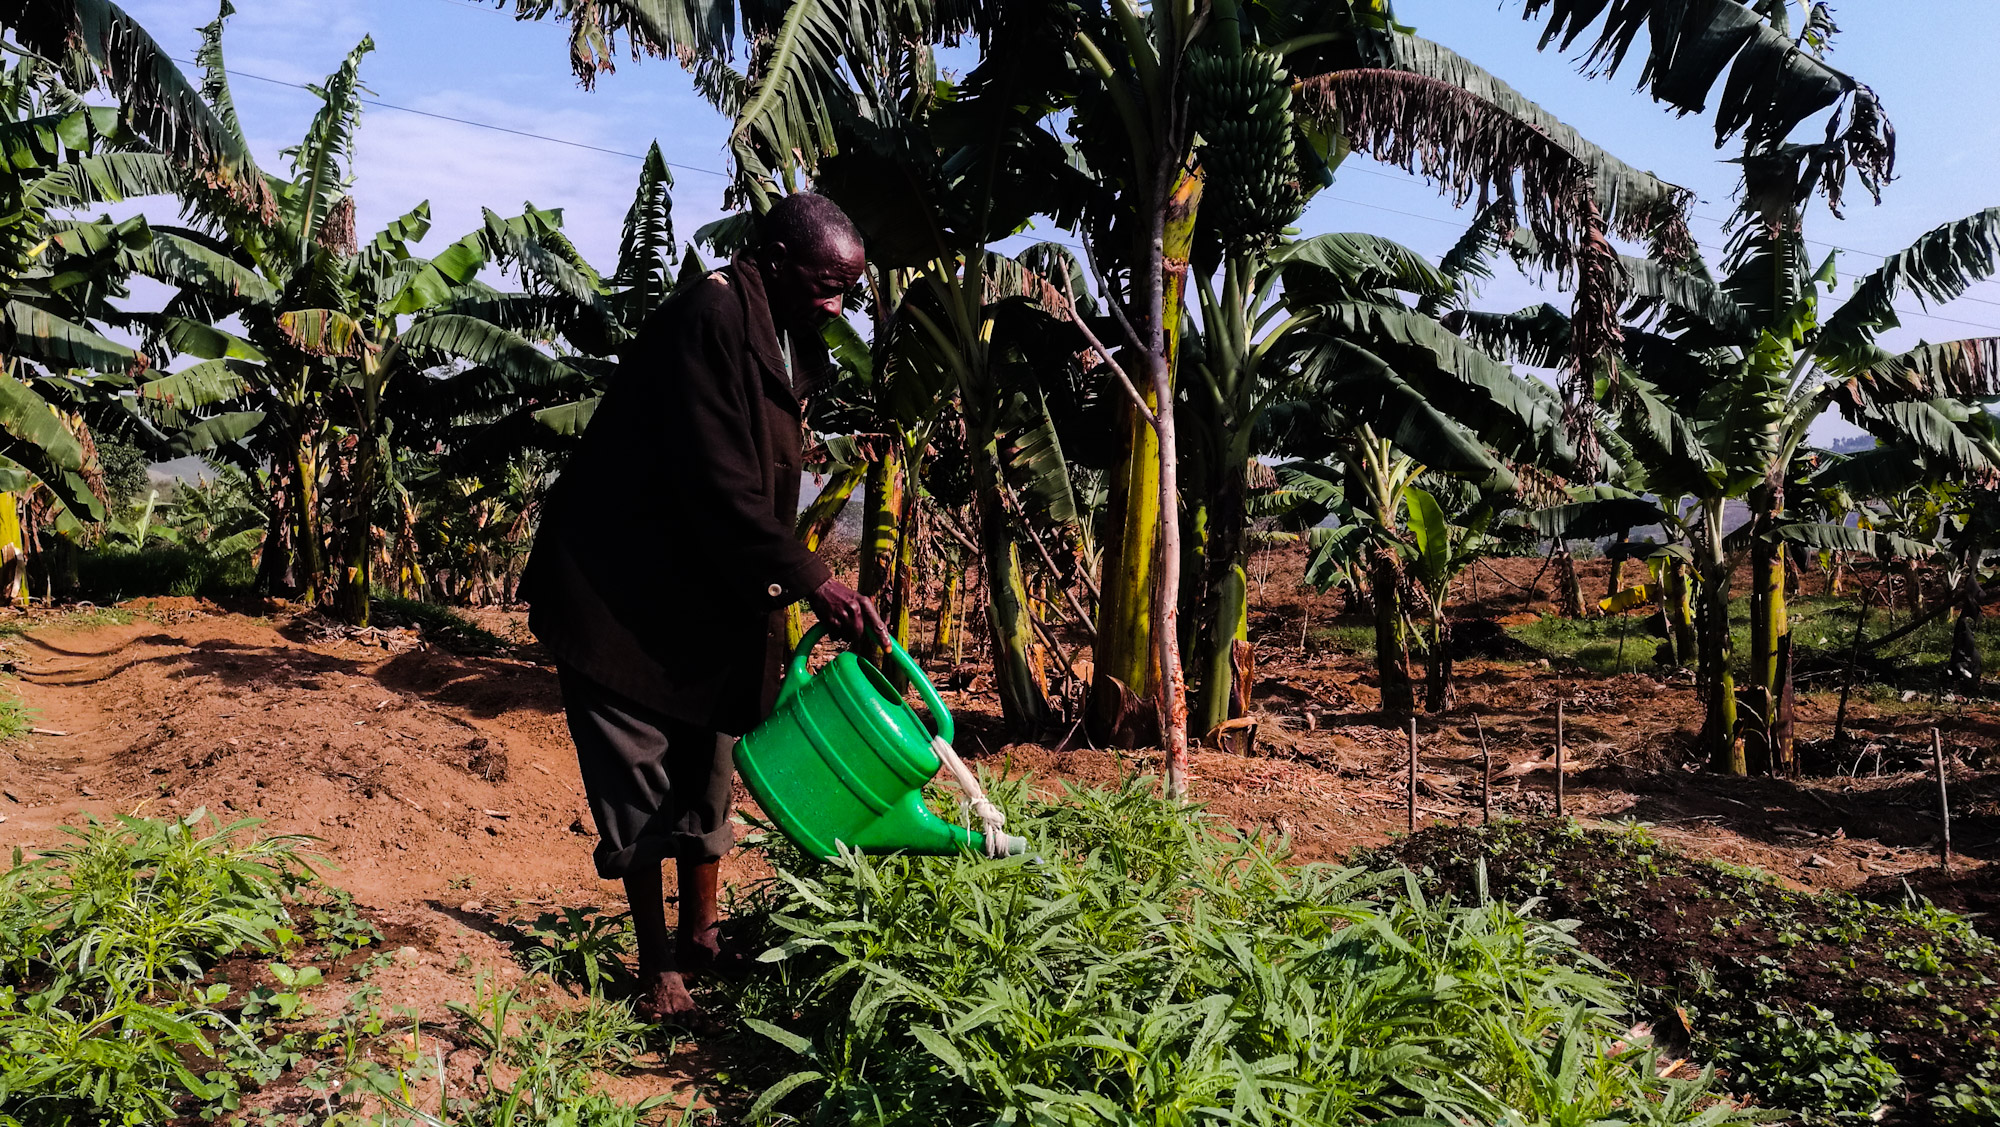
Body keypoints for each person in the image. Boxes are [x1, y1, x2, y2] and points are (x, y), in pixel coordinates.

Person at [522, 193, 883, 1019]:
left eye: (847, 290)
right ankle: (659, 970)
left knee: (707, 757)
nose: (836, 304)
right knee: (636, 773)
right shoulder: (708, 316)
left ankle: (707, 936)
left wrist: (795, 577)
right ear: (779, 257)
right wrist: (815, 581)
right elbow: (716, 480)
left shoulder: (789, 333)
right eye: (827, 283)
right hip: (619, 588)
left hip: (703, 583)